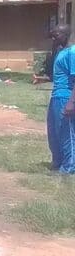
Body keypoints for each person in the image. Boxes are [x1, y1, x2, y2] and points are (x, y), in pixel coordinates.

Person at [47, 24, 75, 174]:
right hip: (56, 96)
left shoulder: (72, 52)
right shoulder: (60, 52)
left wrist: (71, 103)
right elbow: (53, 74)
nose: (54, 37)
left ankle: (69, 166)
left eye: (56, 35)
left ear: (65, 35)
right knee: (54, 131)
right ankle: (58, 162)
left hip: (66, 97)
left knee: (66, 133)